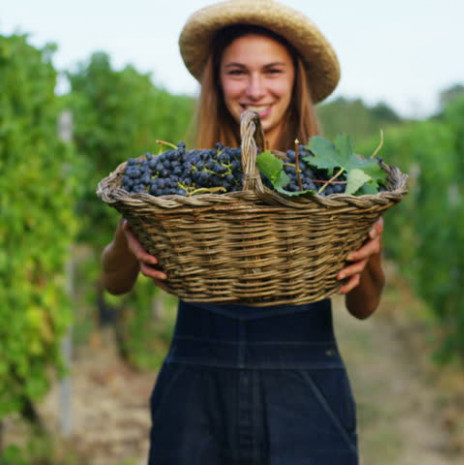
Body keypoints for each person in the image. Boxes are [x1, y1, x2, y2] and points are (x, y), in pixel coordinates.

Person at [101, 0, 384, 463]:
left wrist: (369, 252)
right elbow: (114, 284)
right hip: (194, 396)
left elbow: (364, 307)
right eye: (237, 71)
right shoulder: (182, 185)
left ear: (296, 80)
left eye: (272, 71)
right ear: (217, 81)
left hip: (305, 393)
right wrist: (126, 239)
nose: (255, 89)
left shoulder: (329, 188)